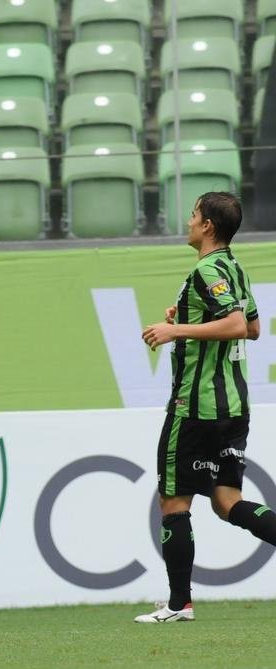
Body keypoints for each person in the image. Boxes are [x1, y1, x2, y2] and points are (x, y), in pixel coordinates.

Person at [136, 192, 275, 623]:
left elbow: (236, 326)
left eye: (194, 214)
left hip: (195, 407)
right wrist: (190, 319)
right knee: (228, 502)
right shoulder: (234, 267)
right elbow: (252, 327)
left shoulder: (208, 268)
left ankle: (180, 605)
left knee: (173, 503)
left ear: (209, 226)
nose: (189, 220)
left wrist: (175, 328)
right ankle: (180, 603)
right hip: (233, 407)